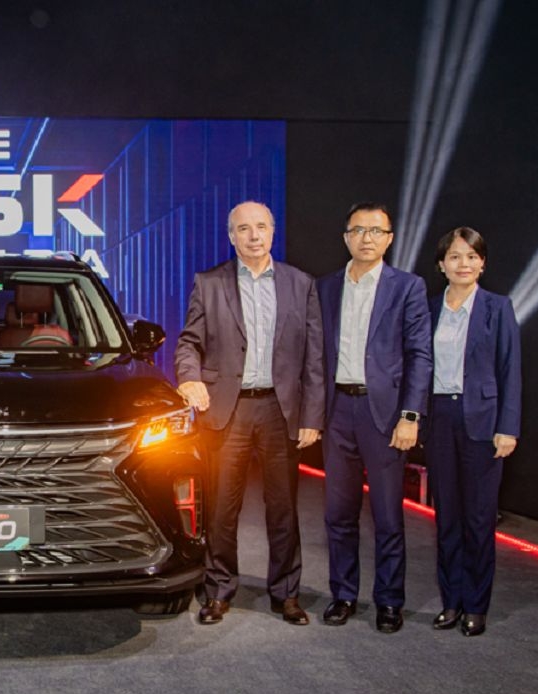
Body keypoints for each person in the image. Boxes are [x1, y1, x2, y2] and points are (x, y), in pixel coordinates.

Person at [175, 201, 325, 626]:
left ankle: (286, 594)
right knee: (222, 509)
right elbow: (189, 343)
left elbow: (314, 357)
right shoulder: (209, 283)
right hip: (229, 409)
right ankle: (219, 591)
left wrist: (312, 416)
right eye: (244, 228)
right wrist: (189, 377)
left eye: (261, 227)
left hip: (281, 410)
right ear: (231, 236)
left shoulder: (300, 283)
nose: (254, 235)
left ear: (272, 232)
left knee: (284, 509)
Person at [317, 202, 432, 633]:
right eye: (359, 230)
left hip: (383, 413)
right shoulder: (325, 287)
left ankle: (389, 600)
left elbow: (420, 355)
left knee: (387, 516)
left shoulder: (408, 287)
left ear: (389, 239)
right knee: (338, 513)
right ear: (346, 236)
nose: (367, 238)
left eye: (376, 231)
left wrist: (410, 415)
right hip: (337, 411)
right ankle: (343, 594)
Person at [425, 227, 521, 637]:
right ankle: (451, 601)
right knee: (447, 517)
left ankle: (476, 606)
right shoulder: (429, 308)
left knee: (479, 519)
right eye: (454, 256)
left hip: (483, 421)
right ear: (441, 265)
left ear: (482, 263)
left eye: (471, 256)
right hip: (440, 418)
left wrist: (508, 427)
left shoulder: (498, 308)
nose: (463, 264)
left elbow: (510, 370)